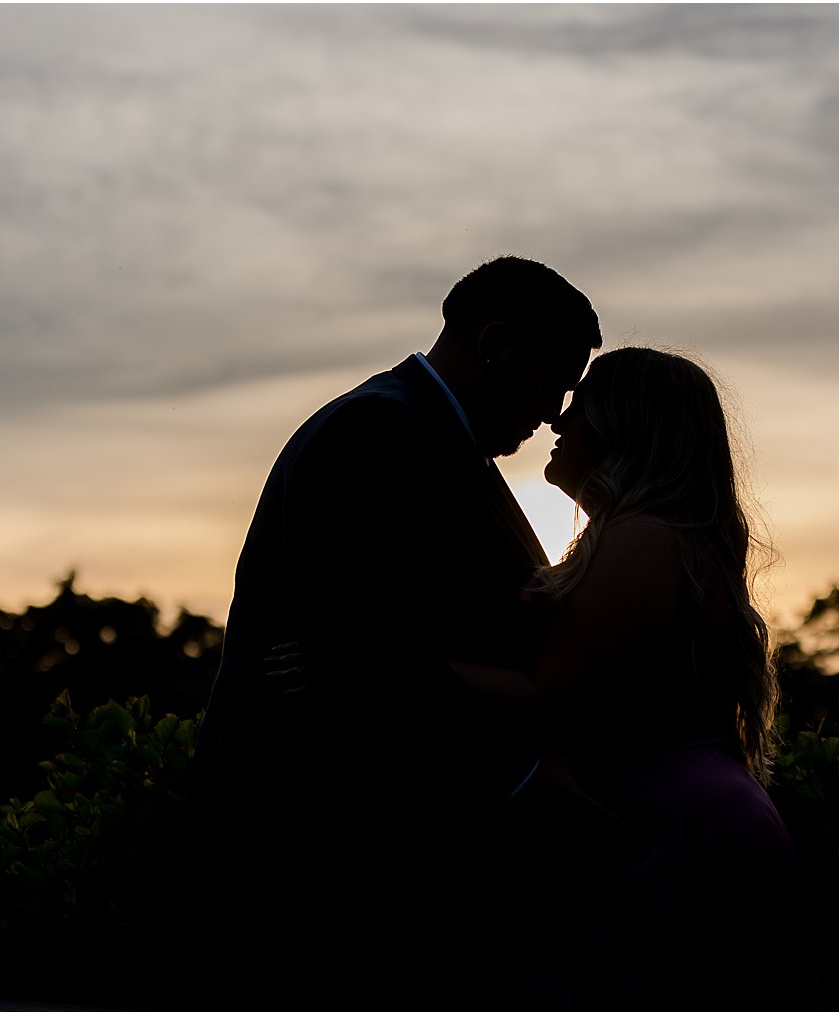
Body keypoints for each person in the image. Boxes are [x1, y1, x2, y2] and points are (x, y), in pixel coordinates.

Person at [183, 255, 602, 1007]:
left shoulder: (426, 435)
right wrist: (529, 780)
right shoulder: (379, 432)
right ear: (495, 341)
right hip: (329, 861)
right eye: (554, 380)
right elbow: (361, 657)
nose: (553, 415)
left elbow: (369, 651)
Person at [451, 346, 821, 1010]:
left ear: (628, 423)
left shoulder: (643, 540)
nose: (562, 419)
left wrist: (380, 660)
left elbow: (547, 697)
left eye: (586, 402)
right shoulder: (664, 538)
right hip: (677, 821)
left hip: (669, 835)